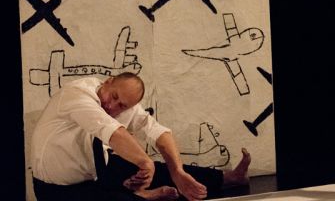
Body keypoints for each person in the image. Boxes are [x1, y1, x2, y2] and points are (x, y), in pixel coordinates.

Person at [30, 72, 251, 201]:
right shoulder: (77, 95)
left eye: (122, 105)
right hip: (57, 189)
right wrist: (145, 162)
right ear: (108, 81)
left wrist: (177, 172)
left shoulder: (124, 104)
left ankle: (229, 178)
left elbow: (159, 132)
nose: (112, 106)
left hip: (98, 170)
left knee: (164, 170)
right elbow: (114, 133)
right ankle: (143, 196)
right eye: (113, 97)